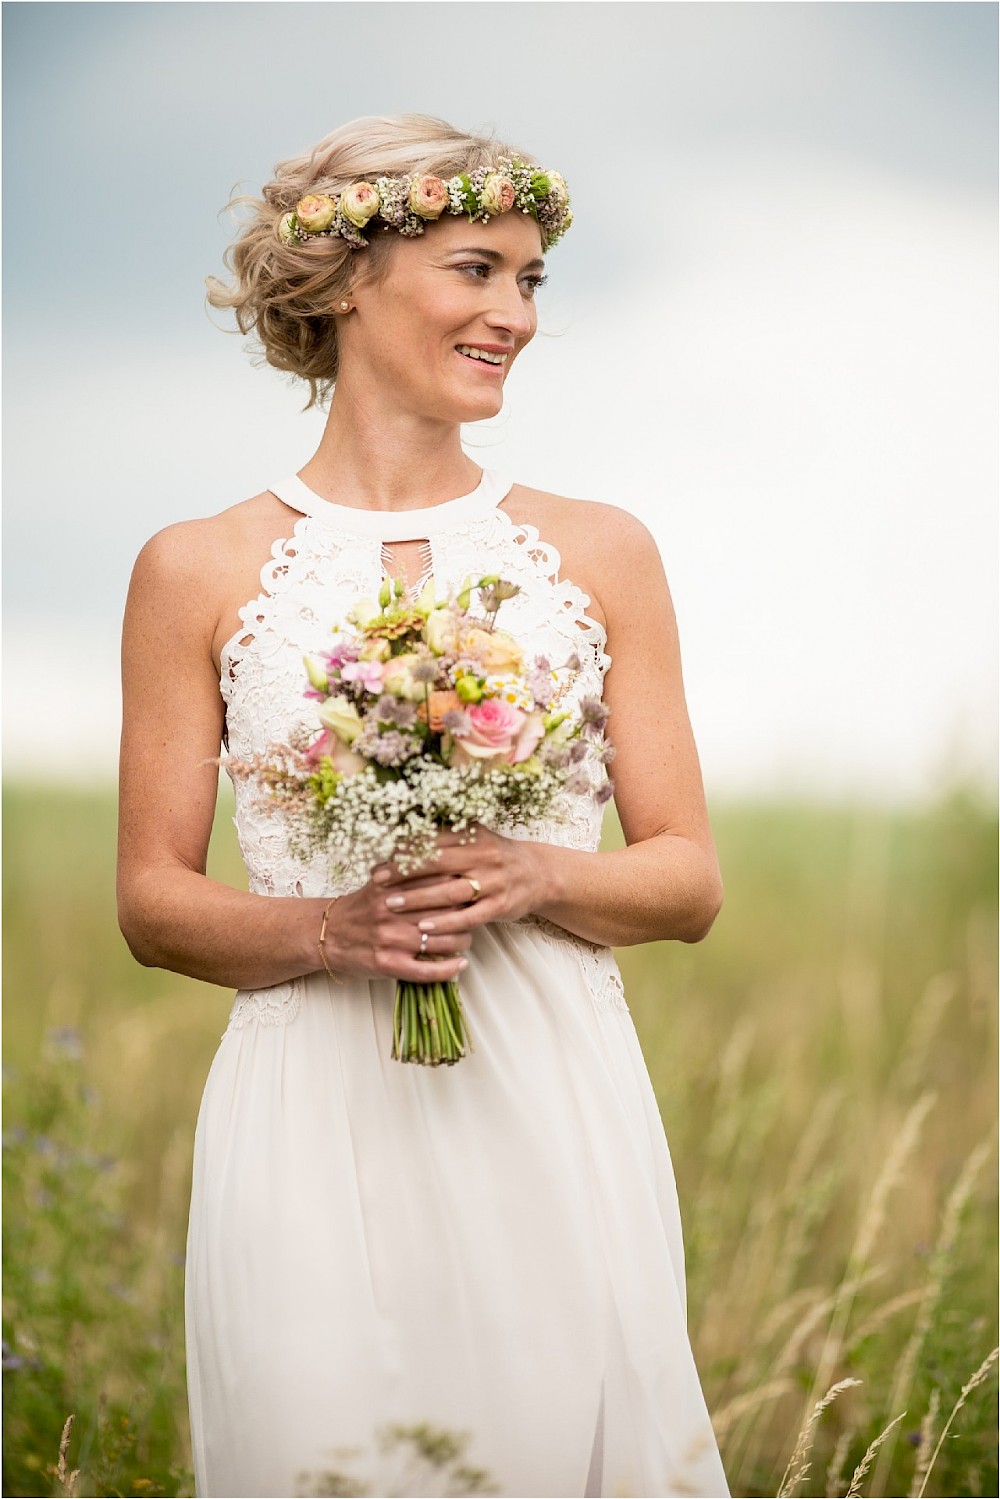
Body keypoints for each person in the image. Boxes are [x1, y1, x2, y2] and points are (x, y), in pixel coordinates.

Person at [117, 113, 729, 1499]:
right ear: (344, 282)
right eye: (476, 270)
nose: (513, 313)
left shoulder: (600, 549)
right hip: (310, 1105)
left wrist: (533, 873)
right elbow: (152, 903)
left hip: (548, 1088)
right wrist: (336, 930)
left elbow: (687, 879)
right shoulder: (195, 566)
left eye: (531, 282)